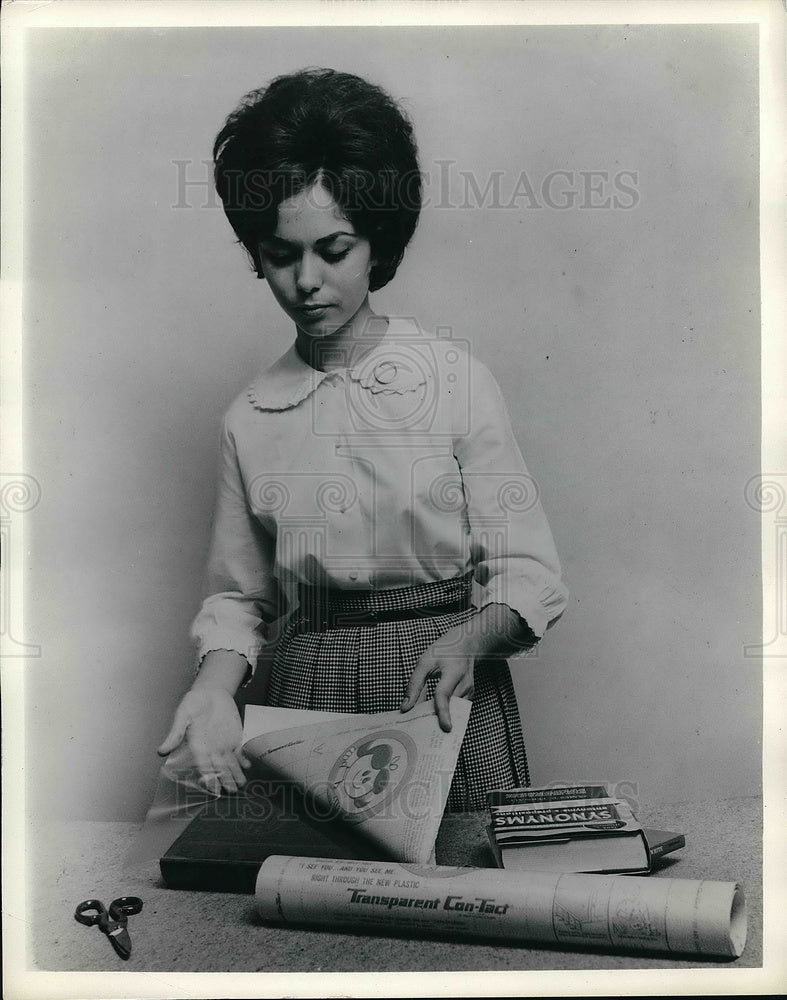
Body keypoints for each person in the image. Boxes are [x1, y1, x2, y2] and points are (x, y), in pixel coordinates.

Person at [158, 68, 568, 811]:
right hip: (307, 688)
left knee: (465, 896)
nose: (306, 280)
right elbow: (237, 597)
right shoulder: (249, 417)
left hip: (442, 681)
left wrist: (467, 641)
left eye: (333, 249)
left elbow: (530, 573)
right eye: (281, 255)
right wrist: (212, 691)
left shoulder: (454, 380)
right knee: (312, 911)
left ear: (377, 241)